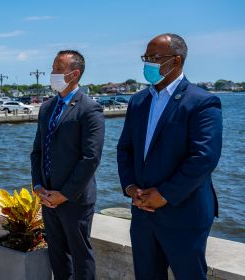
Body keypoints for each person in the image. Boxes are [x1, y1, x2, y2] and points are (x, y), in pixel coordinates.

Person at [117, 33, 223, 279]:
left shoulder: (202, 102)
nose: (148, 64)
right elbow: (125, 149)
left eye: (154, 57)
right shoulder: (138, 101)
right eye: (146, 57)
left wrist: (164, 195)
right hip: (143, 213)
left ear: (175, 61)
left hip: (184, 214)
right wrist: (131, 187)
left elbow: (204, 157)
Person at [30, 50, 105, 279]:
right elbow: (37, 151)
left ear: (74, 74)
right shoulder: (47, 108)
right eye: (53, 68)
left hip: (75, 199)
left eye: (58, 69)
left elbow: (90, 158)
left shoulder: (90, 109)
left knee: (80, 256)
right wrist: (38, 187)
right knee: (57, 255)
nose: (52, 73)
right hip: (47, 197)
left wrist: (64, 194)